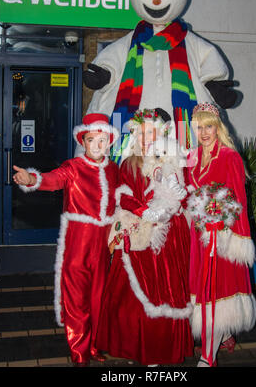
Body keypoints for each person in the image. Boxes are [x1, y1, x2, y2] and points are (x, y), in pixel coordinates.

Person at [13, 113, 119, 367]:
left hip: (104, 242)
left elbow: (121, 200)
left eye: (101, 140)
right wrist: (32, 179)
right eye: (91, 139)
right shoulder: (73, 167)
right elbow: (52, 179)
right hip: (79, 241)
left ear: (109, 142)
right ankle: (79, 350)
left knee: (98, 297)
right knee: (76, 297)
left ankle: (93, 345)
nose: (96, 145)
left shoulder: (114, 169)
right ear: (83, 141)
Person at [96, 108, 194, 366]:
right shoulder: (129, 163)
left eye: (149, 133)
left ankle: (158, 350)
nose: (144, 138)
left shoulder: (170, 159)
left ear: (160, 133)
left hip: (167, 237)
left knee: (167, 292)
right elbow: (124, 196)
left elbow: (181, 193)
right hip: (139, 231)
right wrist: (146, 212)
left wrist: (172, 208)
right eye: (140, 133)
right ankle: (135, 347)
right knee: (133, 295)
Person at [185, 102, 256, 367]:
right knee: (202, 292)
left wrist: (225, 231)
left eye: (209, 126)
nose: (204, 132)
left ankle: (208, 356)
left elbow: (238, 199)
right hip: (198, 238)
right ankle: (224, 334)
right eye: (200, 127)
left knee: (215, 293)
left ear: (218, 128)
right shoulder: (192, 157)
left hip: (220, 238)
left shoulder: (229, 157)